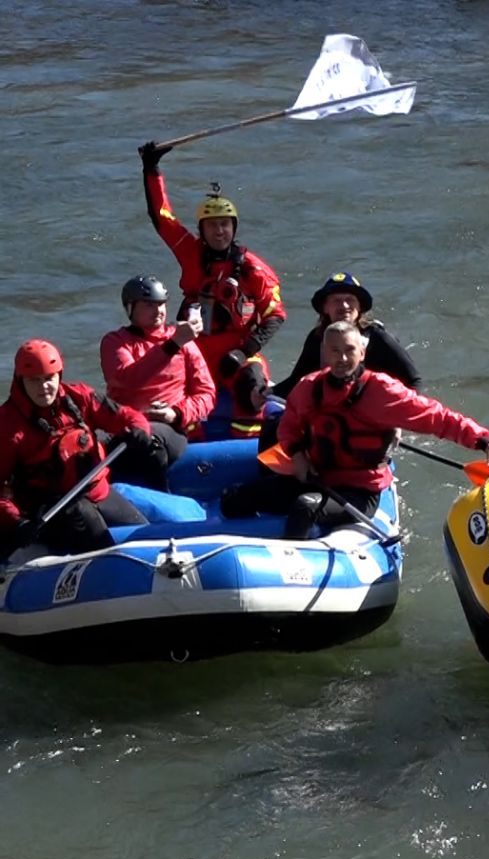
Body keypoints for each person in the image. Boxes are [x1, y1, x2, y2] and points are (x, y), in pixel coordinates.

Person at [220, 321, 489, 540]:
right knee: (233, 499)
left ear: (362, 352)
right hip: (318, 477)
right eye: (334, 351)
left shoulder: (383, 391)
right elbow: (289, 427)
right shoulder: (309, 388)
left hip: (360, 491)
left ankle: (287, 577)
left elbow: (437, 417)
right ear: (325, 352)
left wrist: (484, 442)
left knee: (304, 507)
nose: (342, 358)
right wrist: (297, 455)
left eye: (349, 350)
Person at [138, 141, 285, 439]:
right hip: (195, 350)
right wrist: (151, 169)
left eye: (225, 225)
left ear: (234, 228)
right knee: (167, 392)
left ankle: (245, 450)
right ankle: (189, 451)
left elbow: (275, 316)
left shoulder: (253, 268)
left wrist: (243, 353)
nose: (220, 231)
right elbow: (161, 218)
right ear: (202, 231)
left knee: (251, 388)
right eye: (213, 225)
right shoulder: (191, 254)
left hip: (237, 351)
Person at [1, 340, 161, 557]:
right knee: (91, 528)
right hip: (51, 508)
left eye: (49, 378)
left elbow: (126, 415)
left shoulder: (79, 396)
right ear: (20, 381)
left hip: (98, 492)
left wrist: (139, 429)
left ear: (59, 375)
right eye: (34, 381)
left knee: (145, 536)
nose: (43, 387)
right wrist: (17, 523)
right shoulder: (7, 425)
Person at [100, 275, 216, 485]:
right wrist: (172, 345)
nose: (159, 311)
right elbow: (126, 380)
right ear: (130, 308)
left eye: (162, 304)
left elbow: (206, 394)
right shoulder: (115, 342)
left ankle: (160, 501)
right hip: (128, 428)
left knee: (148, 440)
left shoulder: (183, 341)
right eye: (149, 304)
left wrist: (176, 413)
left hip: (170, 429)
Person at [271, 272, 421, 401]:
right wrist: (267, 393)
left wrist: (398, 417)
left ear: (359, 307)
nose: (344, 306)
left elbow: (414, 381)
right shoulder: (317, 338)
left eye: (350, 300)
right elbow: (297, 382)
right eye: (336, 300)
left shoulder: (379, 338)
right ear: (325, 307)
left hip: (375, 415)